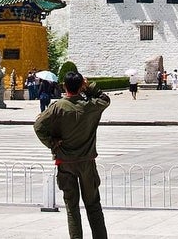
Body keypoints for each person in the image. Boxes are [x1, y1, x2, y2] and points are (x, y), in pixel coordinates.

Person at [34, 71, 111, 239]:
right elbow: (105, 99)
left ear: (64, 86)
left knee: (72, 208)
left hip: (65, 161)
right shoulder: (90, 106)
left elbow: (38, 126)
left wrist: (52, 143)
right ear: (80, 86)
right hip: (86, 162)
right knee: (93, 205)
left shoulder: (58, 107)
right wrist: (88, 86)